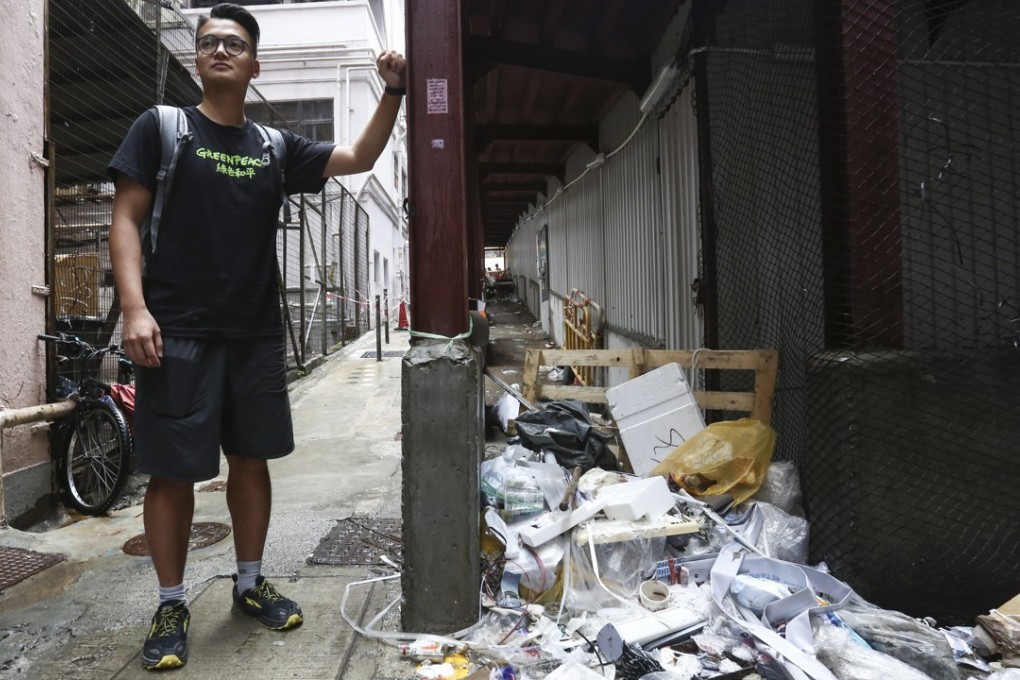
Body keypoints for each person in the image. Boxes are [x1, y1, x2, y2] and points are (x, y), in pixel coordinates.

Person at [108, 3, 406, 670]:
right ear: (197, 59)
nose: (219, 50)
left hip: (253, 334)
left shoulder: (273, 146)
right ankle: (172, 600)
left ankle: (248, 582)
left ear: (252, 65)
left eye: (233, 44)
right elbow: (125, 219)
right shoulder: (163, 129)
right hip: (176, 330)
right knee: (174, 473)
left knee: (251, 461)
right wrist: (135, 309)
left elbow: (357, 155)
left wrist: (393, 91)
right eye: (209, 41)